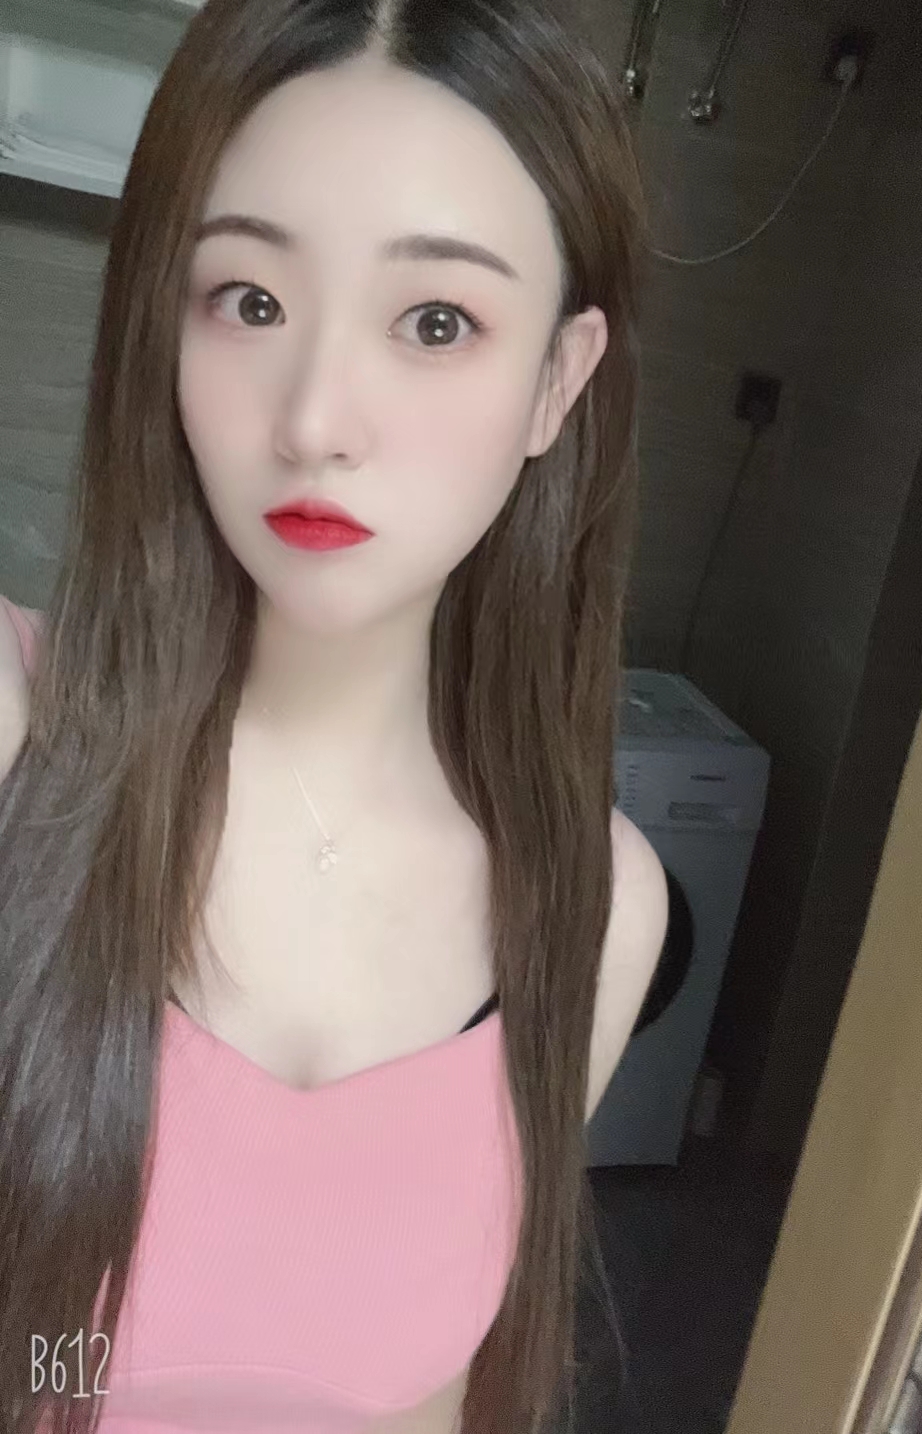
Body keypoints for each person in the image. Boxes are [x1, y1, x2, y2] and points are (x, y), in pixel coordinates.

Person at [0, 1, 669, 1431]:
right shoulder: (16, 738)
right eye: (250, 301)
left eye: (436, 322)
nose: (314, 419)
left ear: (557, 381)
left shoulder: (596, 909)